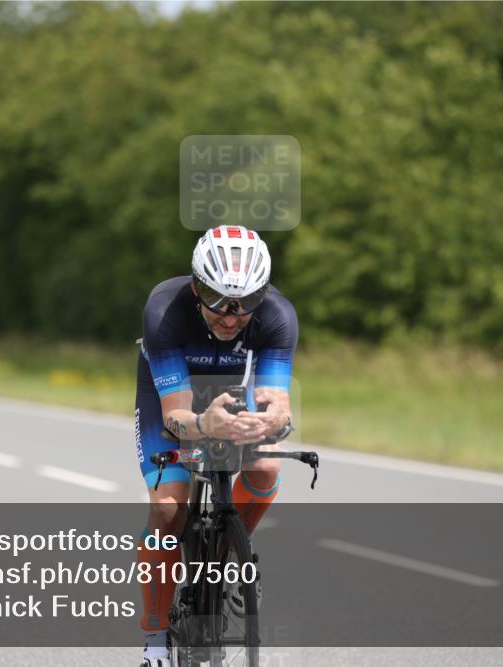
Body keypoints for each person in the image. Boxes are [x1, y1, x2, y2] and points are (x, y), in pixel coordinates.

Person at [135, 226, 298, 666]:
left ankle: (228, 556)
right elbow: (175, 416)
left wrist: (274, 419)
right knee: (169, 508)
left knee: (266, 469)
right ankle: (154, 643)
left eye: (245, 304)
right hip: (174, 397)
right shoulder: (164, 312)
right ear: (195, 287)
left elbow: (276, 402)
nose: (230, 317)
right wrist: (204, 423)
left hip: (231, 390)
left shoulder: (279, 316)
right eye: (218, 301)